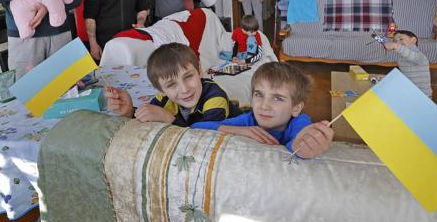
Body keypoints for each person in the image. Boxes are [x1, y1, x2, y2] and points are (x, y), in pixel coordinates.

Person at [192, 62, 334, 159]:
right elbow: (196, 127)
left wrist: (302, 145)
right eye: (259, 94)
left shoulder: (300, 121)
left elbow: (298, 143)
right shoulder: (249, 119)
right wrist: (238, 130)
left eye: (277, 98)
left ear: (296, 108)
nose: (264, 106)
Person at [106, 43, 241, 126]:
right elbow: (151, 117)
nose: (185, 89)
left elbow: (204, 141)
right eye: (171, 85)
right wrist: (130, 112)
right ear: (161, 90)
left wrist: (168, 118)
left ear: (199, 70)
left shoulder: (215, 97)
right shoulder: (162, 98)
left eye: (188, 77)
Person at [383, 30, 433, 99]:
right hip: (410, 92)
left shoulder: (420, 56)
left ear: (413, 40)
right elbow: (403, 52)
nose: (398, 42)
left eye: (401, 39)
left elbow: (409, 54)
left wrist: (395, 45)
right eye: (395, 41)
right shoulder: (401, 57)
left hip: (424, 96)